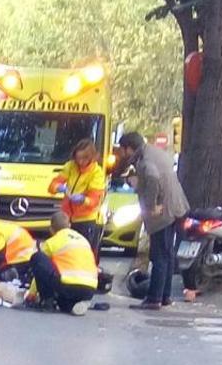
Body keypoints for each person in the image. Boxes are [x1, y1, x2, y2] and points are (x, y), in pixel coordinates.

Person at [116, 132, 190, 310]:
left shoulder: (145, 160)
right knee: (167, 253)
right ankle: (165, 296)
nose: (122, 154)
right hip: (176, 205)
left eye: (123, 150)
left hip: (163, 211)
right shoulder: (155, 152)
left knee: (159, 255)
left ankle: (154, 298)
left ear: (128, 148)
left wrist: (151, 206)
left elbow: (153, 177)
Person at [29, 212, 99, 316]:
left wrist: (32, 293)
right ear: (69, 225)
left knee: (37, 257)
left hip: (68, 285)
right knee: (62, 302)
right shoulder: (83, 240)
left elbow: (40, 270)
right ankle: (74, 305)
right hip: (90, 288)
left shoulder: (52, 242)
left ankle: (47, 301)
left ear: (51, 229)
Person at [48, 139, 107, 254]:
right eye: (78, 158)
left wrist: (83, 200)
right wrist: (59, 187)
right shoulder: (70, 166)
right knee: (65, 250)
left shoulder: (97, 173)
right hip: (67, 217)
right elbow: (52, 185)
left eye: (84, 158)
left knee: (84, 252)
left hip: (86, 219)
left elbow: (95, 200)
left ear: (91, 157)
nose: (80, 162)